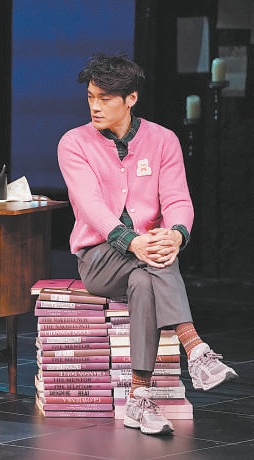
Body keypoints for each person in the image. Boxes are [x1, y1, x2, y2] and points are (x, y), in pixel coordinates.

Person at [57, 53, 237, 436]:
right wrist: (134, 242)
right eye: (91, 97)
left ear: (131, 99)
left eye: (105, 98)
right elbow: (90, 206)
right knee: (155, 258)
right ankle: (196, 349)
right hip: (99, 258)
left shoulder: (163, 140)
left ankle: (138, 398)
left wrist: (175, 235)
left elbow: (178, 199)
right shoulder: (74, 143)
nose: (95, 106)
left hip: (146, 258)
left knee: (145, 276)